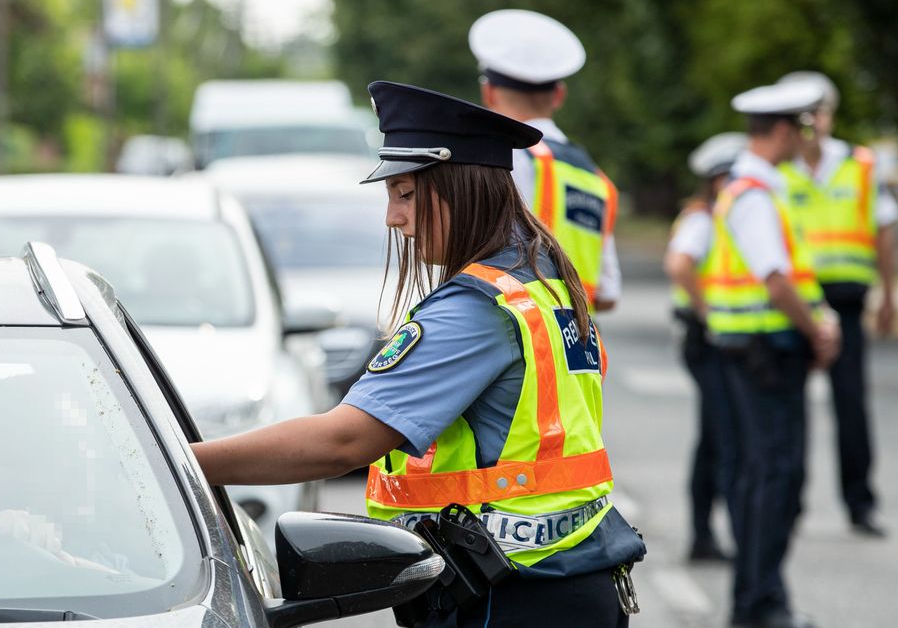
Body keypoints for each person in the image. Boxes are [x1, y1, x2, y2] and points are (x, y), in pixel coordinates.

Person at [192, 81, 646, 627]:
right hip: (567, 581)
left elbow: (344, 441)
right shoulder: (541, 280)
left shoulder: (475, 310)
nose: (392, 217)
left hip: (512, 598)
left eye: (405, 193)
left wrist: (178, 462)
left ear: (460, 187)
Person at [700, 79, 840, 628]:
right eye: (800, 128)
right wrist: (819, 330)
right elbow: (777, 280)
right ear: (782, 130)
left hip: (752, 350)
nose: (803, 138)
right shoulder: (756, 193)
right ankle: (759, 605)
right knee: (774, 480)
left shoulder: (748, 187)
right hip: (766, 354)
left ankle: (759, 600)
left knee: (764, 477)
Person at [776, 71, 898, 537]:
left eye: (821, 111)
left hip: (847, 299)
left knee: (851, 404)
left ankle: (860, 502)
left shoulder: (860, 164)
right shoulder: (779, 170)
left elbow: (884, 233)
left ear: (831, 115)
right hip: (796, 300)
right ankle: (788, 504)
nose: (815, 122)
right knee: (790, 405)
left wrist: (888, 295)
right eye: (806, 114)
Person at [469, 9, 622, 312]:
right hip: (579, 342)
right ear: (559, 95)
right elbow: (607, 293)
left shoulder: (497, 160)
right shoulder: (596, 178)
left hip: (516, 334)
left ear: (488, 91)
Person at [664, 132, 747, 563]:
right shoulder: (703, 219)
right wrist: (711, 312)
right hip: (706, 339)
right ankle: (714, 534)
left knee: (715, 439)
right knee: (724, 438)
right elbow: (679, 265)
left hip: (713, 340)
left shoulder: (725, 216)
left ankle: (704, 536)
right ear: (717, 180)